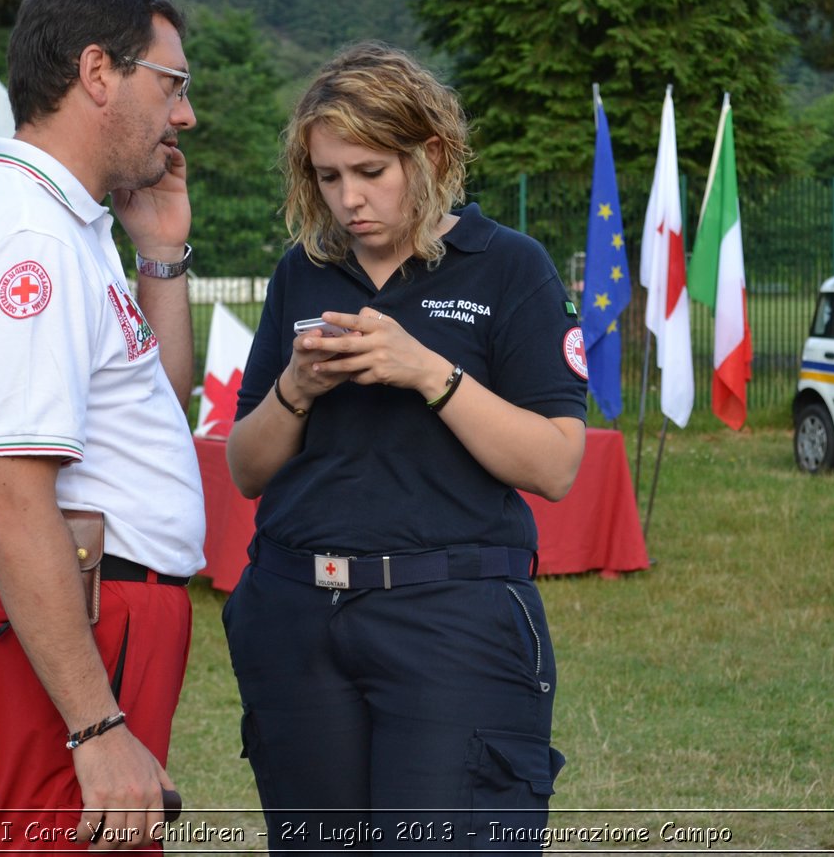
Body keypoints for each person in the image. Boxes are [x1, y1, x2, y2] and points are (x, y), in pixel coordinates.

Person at [222, 42, 589, 849]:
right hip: (296, 616)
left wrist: (431, 373)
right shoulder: (302, 272)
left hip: (451, 617)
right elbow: (245, 467)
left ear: (429, 155)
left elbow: (558, 463)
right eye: (327, 176)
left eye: (369, 171)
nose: (348, 199)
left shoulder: (508, 267)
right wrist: (297, 389)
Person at [0, 0, 205, 853]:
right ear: (98, 73)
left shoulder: (57, 220)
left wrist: (161, 257)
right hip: (72, 609)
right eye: (172, 83)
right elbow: (11, 495)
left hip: (88, 604)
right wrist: (95, 726)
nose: (182, 114)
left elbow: (155, 407)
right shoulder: (30, 237)